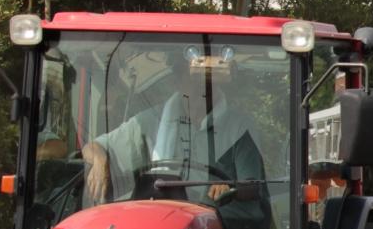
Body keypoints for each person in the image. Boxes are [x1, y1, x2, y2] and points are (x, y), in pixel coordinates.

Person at [82, 49, 265, 205]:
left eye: (206, 81)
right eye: (194, 80)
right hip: (158, 222)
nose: (201, 88)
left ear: (215, 82)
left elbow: (252, 186)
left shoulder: (239, 126)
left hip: (220, 225)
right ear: (178, 81)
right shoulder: (152, 119)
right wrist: (100, 162)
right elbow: (93, 147)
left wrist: (230, 187)